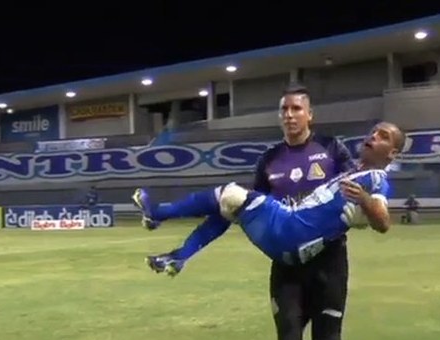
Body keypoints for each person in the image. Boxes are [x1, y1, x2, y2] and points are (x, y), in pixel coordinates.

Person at [133, 121, 405, 340]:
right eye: (374, 132)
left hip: (318, 258)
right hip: (288, 237)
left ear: (392, 153)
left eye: (383, 136)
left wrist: (364, 202)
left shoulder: (371, 176)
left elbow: (383, 222)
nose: (373, 136)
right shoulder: (314, 165)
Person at [140, 84, 356, 276]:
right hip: (285, 245)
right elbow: (254, 204)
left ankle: (161, 218)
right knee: (230, 206)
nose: (289, 115)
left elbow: (356, 187)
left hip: (326, 253)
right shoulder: (269, 159)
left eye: (296, 109)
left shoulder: (331, 148)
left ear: (309, 115)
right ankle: (178, 250)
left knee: (230, 200)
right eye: (284, 109)